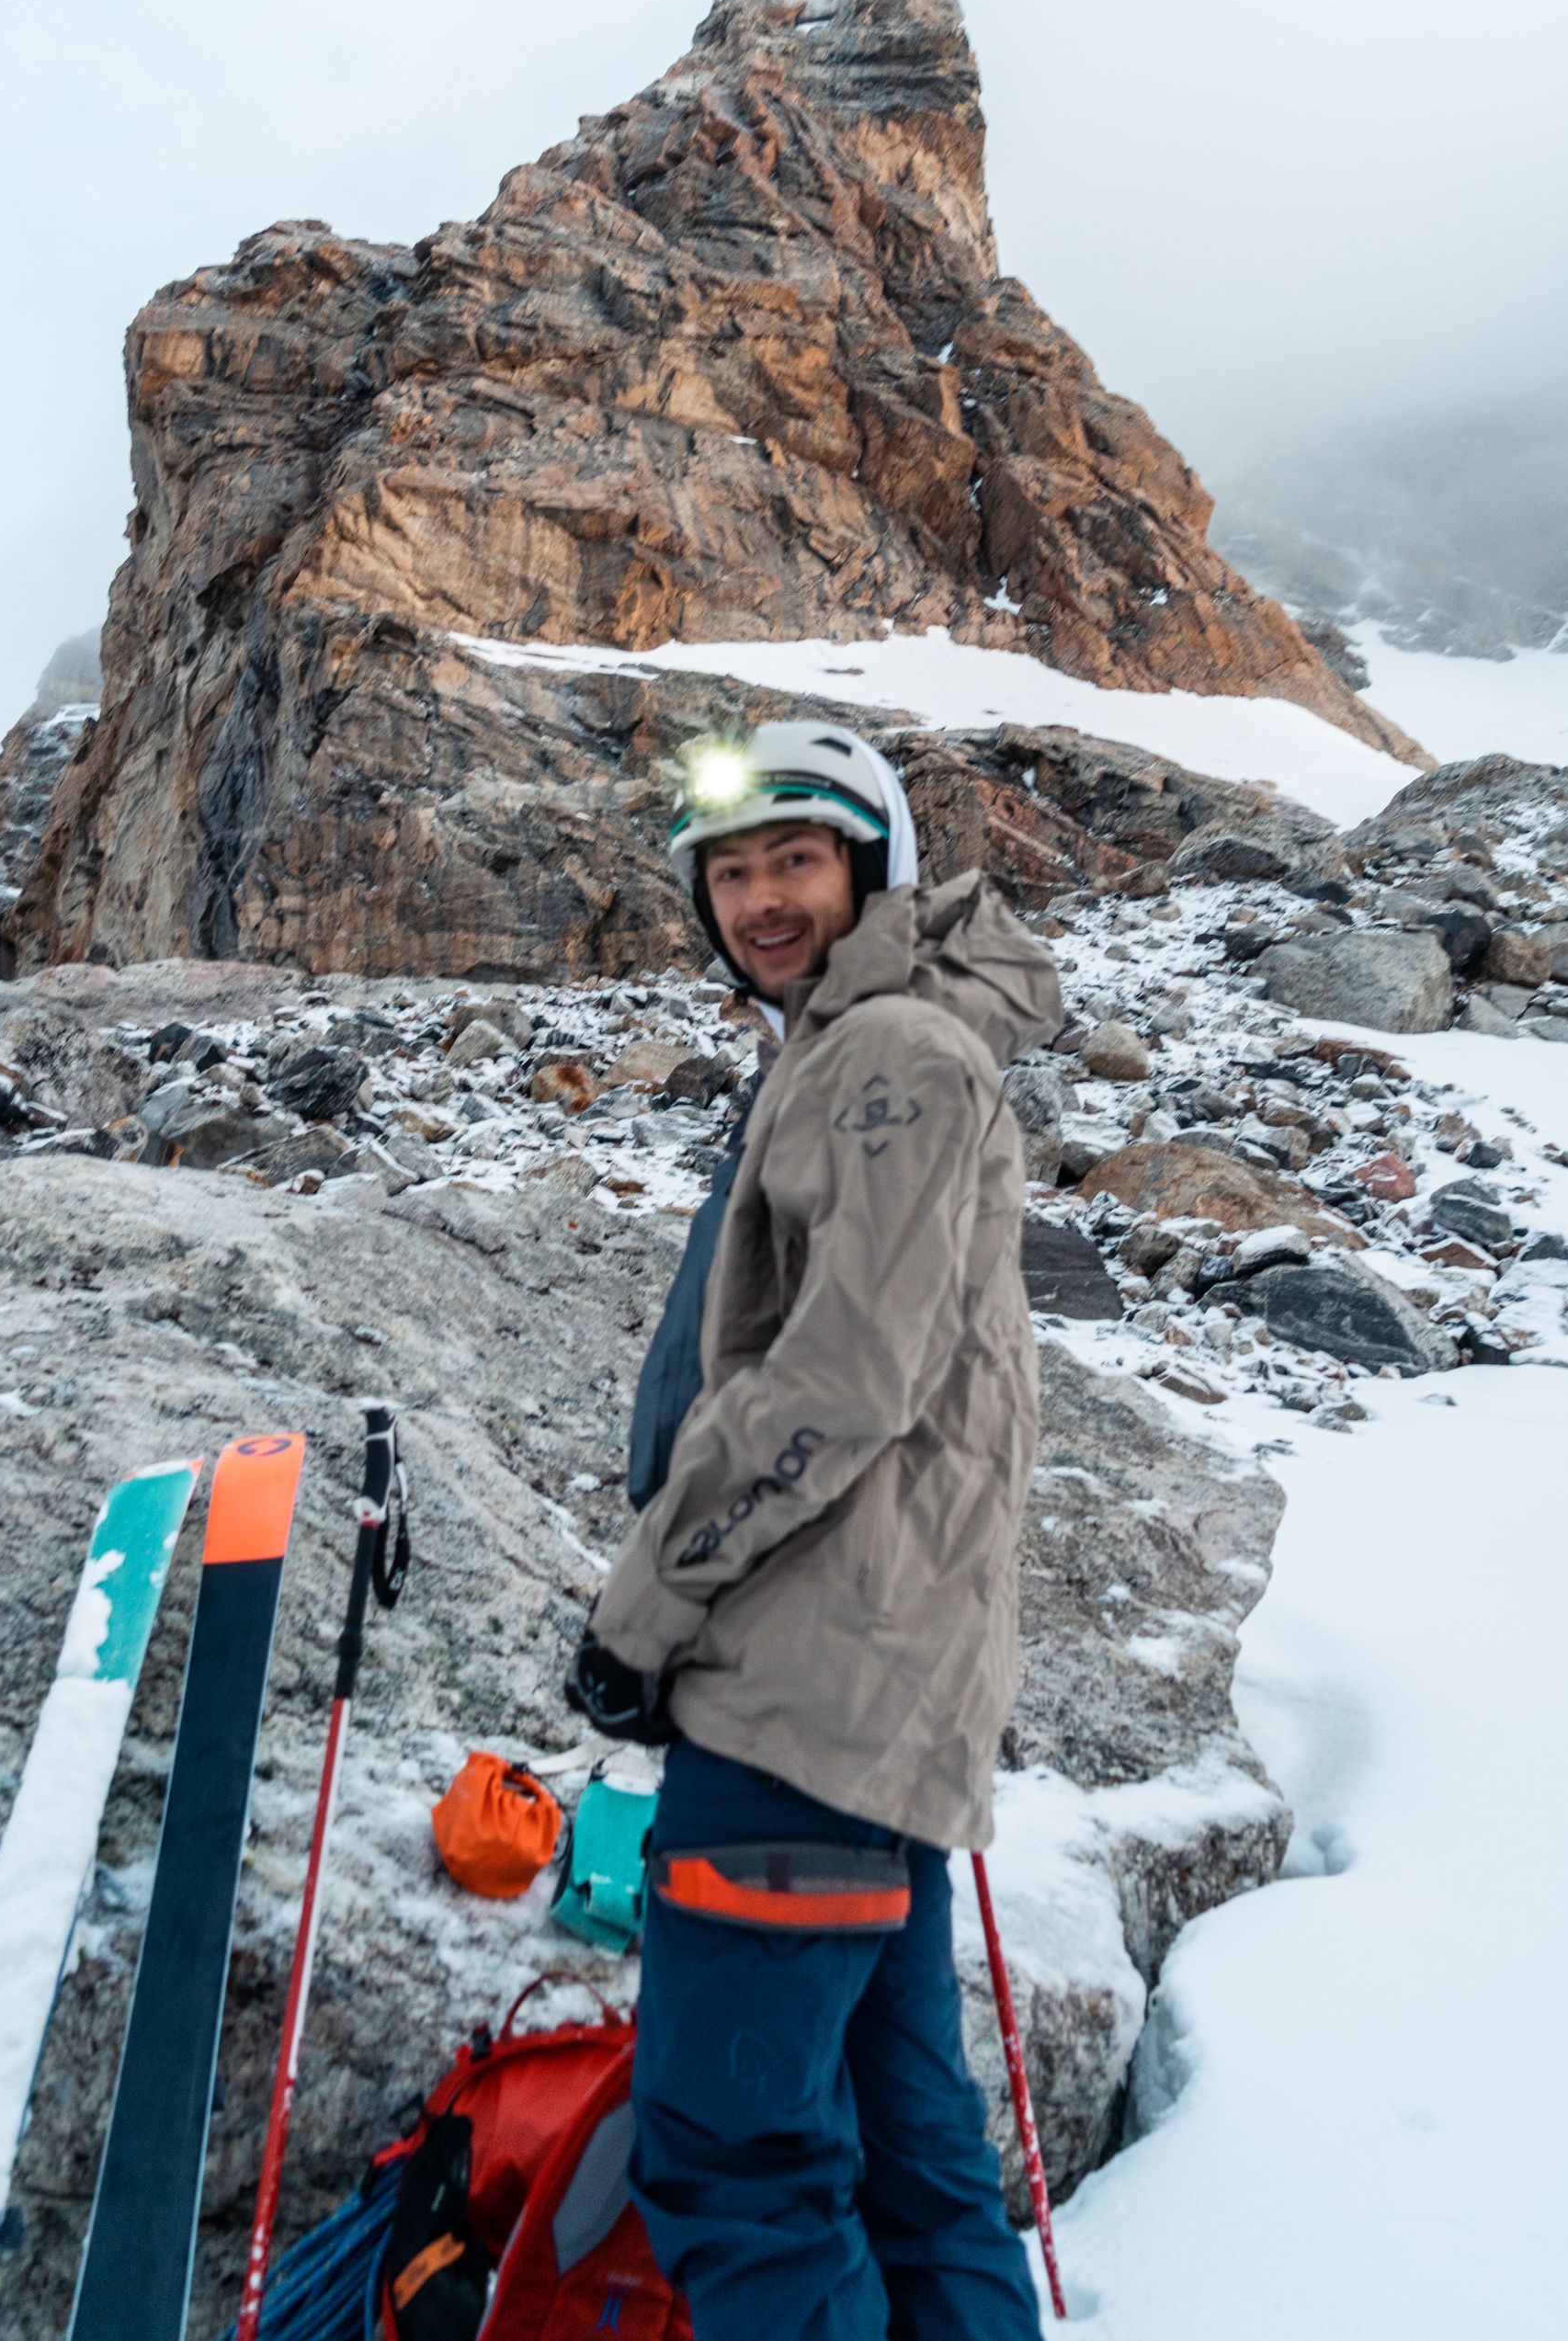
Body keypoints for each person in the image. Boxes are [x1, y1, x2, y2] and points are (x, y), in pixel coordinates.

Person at [564, 720, 1065, 2341]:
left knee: (739, 2163)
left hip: (802, 1703)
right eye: (732, 868)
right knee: (916, 2173)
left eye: (799, 859)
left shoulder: (892, 1060)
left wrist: (646, 1606)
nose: (763, 896)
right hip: (866, 1723)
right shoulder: (851, 1048)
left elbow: (842, 1379)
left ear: (873, 871)